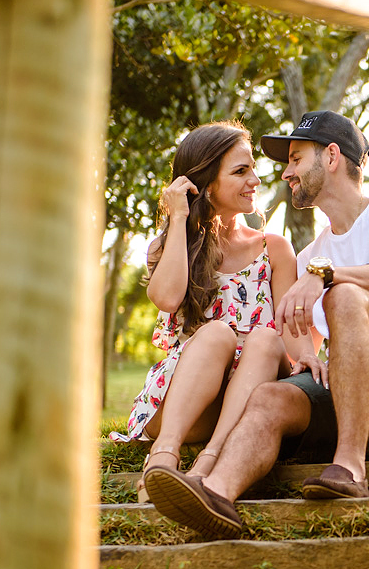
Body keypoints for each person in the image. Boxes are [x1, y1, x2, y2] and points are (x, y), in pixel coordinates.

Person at [143, 110, 369, 540]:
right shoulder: (308, 259)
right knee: (270, 398)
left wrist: (327, 276)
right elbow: (307, 343)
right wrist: (303, 363)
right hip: (355, 390)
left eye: (296, 159)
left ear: (332, 157)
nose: (284, 174)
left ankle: (350, 468)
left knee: (345, 296)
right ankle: (213, 494)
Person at [113, 121, 324, 495]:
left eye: (253, 168)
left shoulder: (273, 248)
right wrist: (178, 217)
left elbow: (289, 330)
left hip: (246, 399)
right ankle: (162, 458)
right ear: (207, 184)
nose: (256, 180)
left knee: (263, 337)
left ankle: (208, 463)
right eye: (241, 171)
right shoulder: (172, 245)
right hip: (187, 403)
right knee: (217, 333)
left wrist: (307, 356)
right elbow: (166, 299)